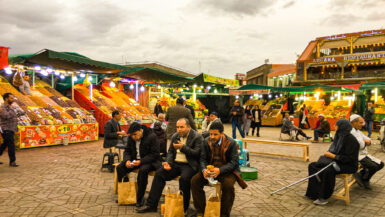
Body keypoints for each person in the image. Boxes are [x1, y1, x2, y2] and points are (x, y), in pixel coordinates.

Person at [137, 118, 202, 214]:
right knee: (159, 173)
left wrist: (183, 148)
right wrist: (168, 162)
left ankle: (183, 208)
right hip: (176, 164)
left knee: (184, 179)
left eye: (181, 127)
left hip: (189, 165)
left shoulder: (197, 137)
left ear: (188, 127)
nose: (179, 129)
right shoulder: (175, 136)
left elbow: (197, 153)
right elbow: (171, 152)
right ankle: (151, 205)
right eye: (177, 127)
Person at [191, 121, 247, 217]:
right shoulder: (206, 141)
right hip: (210, 170)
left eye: (215, 134)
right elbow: (202, 159)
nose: (212, 136)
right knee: (194, 181)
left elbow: (234, 163)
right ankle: (201, 211)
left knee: (228, 186)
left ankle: (224, 214)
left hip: (227, 171)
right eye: (211, 134)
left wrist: (220, 170)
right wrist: (204, 170)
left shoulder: (232, 143)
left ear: (222, 133)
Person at [305, 119, 359, 205]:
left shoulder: (351, 140)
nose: (334, 126)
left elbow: (350, 159)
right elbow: (333, 150)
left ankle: (324, 197)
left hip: (348, 165)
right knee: (313, 166)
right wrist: (329, 155)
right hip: (335, 161)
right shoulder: (338, 136)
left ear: (342, 127)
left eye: (336, 125)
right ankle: (313, 193)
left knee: (328, 170)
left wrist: (332, 156)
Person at [116, 122, 162, 207]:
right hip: (135, 160)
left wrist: (141, 161)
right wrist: (127, 160)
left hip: (149, 161)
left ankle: (139, 198)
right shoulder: (131, 137)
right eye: (132, 135)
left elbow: (155, 154)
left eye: (135, 134)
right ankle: (125, 193)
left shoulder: (152, 137)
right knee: (120, 168)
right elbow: (127, 151)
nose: (133, 137)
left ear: (141, 130)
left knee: (143, 170)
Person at [350, 114, 384, 190]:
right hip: (356, 156)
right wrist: (365, 142)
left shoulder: (357, 131)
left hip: (363, 154)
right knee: (373, 166)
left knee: (381, 164)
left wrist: (366, 141)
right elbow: (361, 144)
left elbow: (368, 140)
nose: (362, 125)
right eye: (360, 123)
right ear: (354, 122)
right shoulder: (351, 132)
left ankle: (361, 175)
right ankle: (365, 179)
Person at [0, 93, 25, 166]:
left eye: (13, 98)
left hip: (12, 128)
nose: (13, 100)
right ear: (6, 99)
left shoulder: (13, 107)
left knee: (5, 144)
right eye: (11, 98)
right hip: (6, 128)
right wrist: (12, 110)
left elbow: (21, 113)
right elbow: (5, 116)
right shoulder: (3, 107)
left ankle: (12, 161)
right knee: (11, 144)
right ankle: (12, 161)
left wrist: (18, 111)